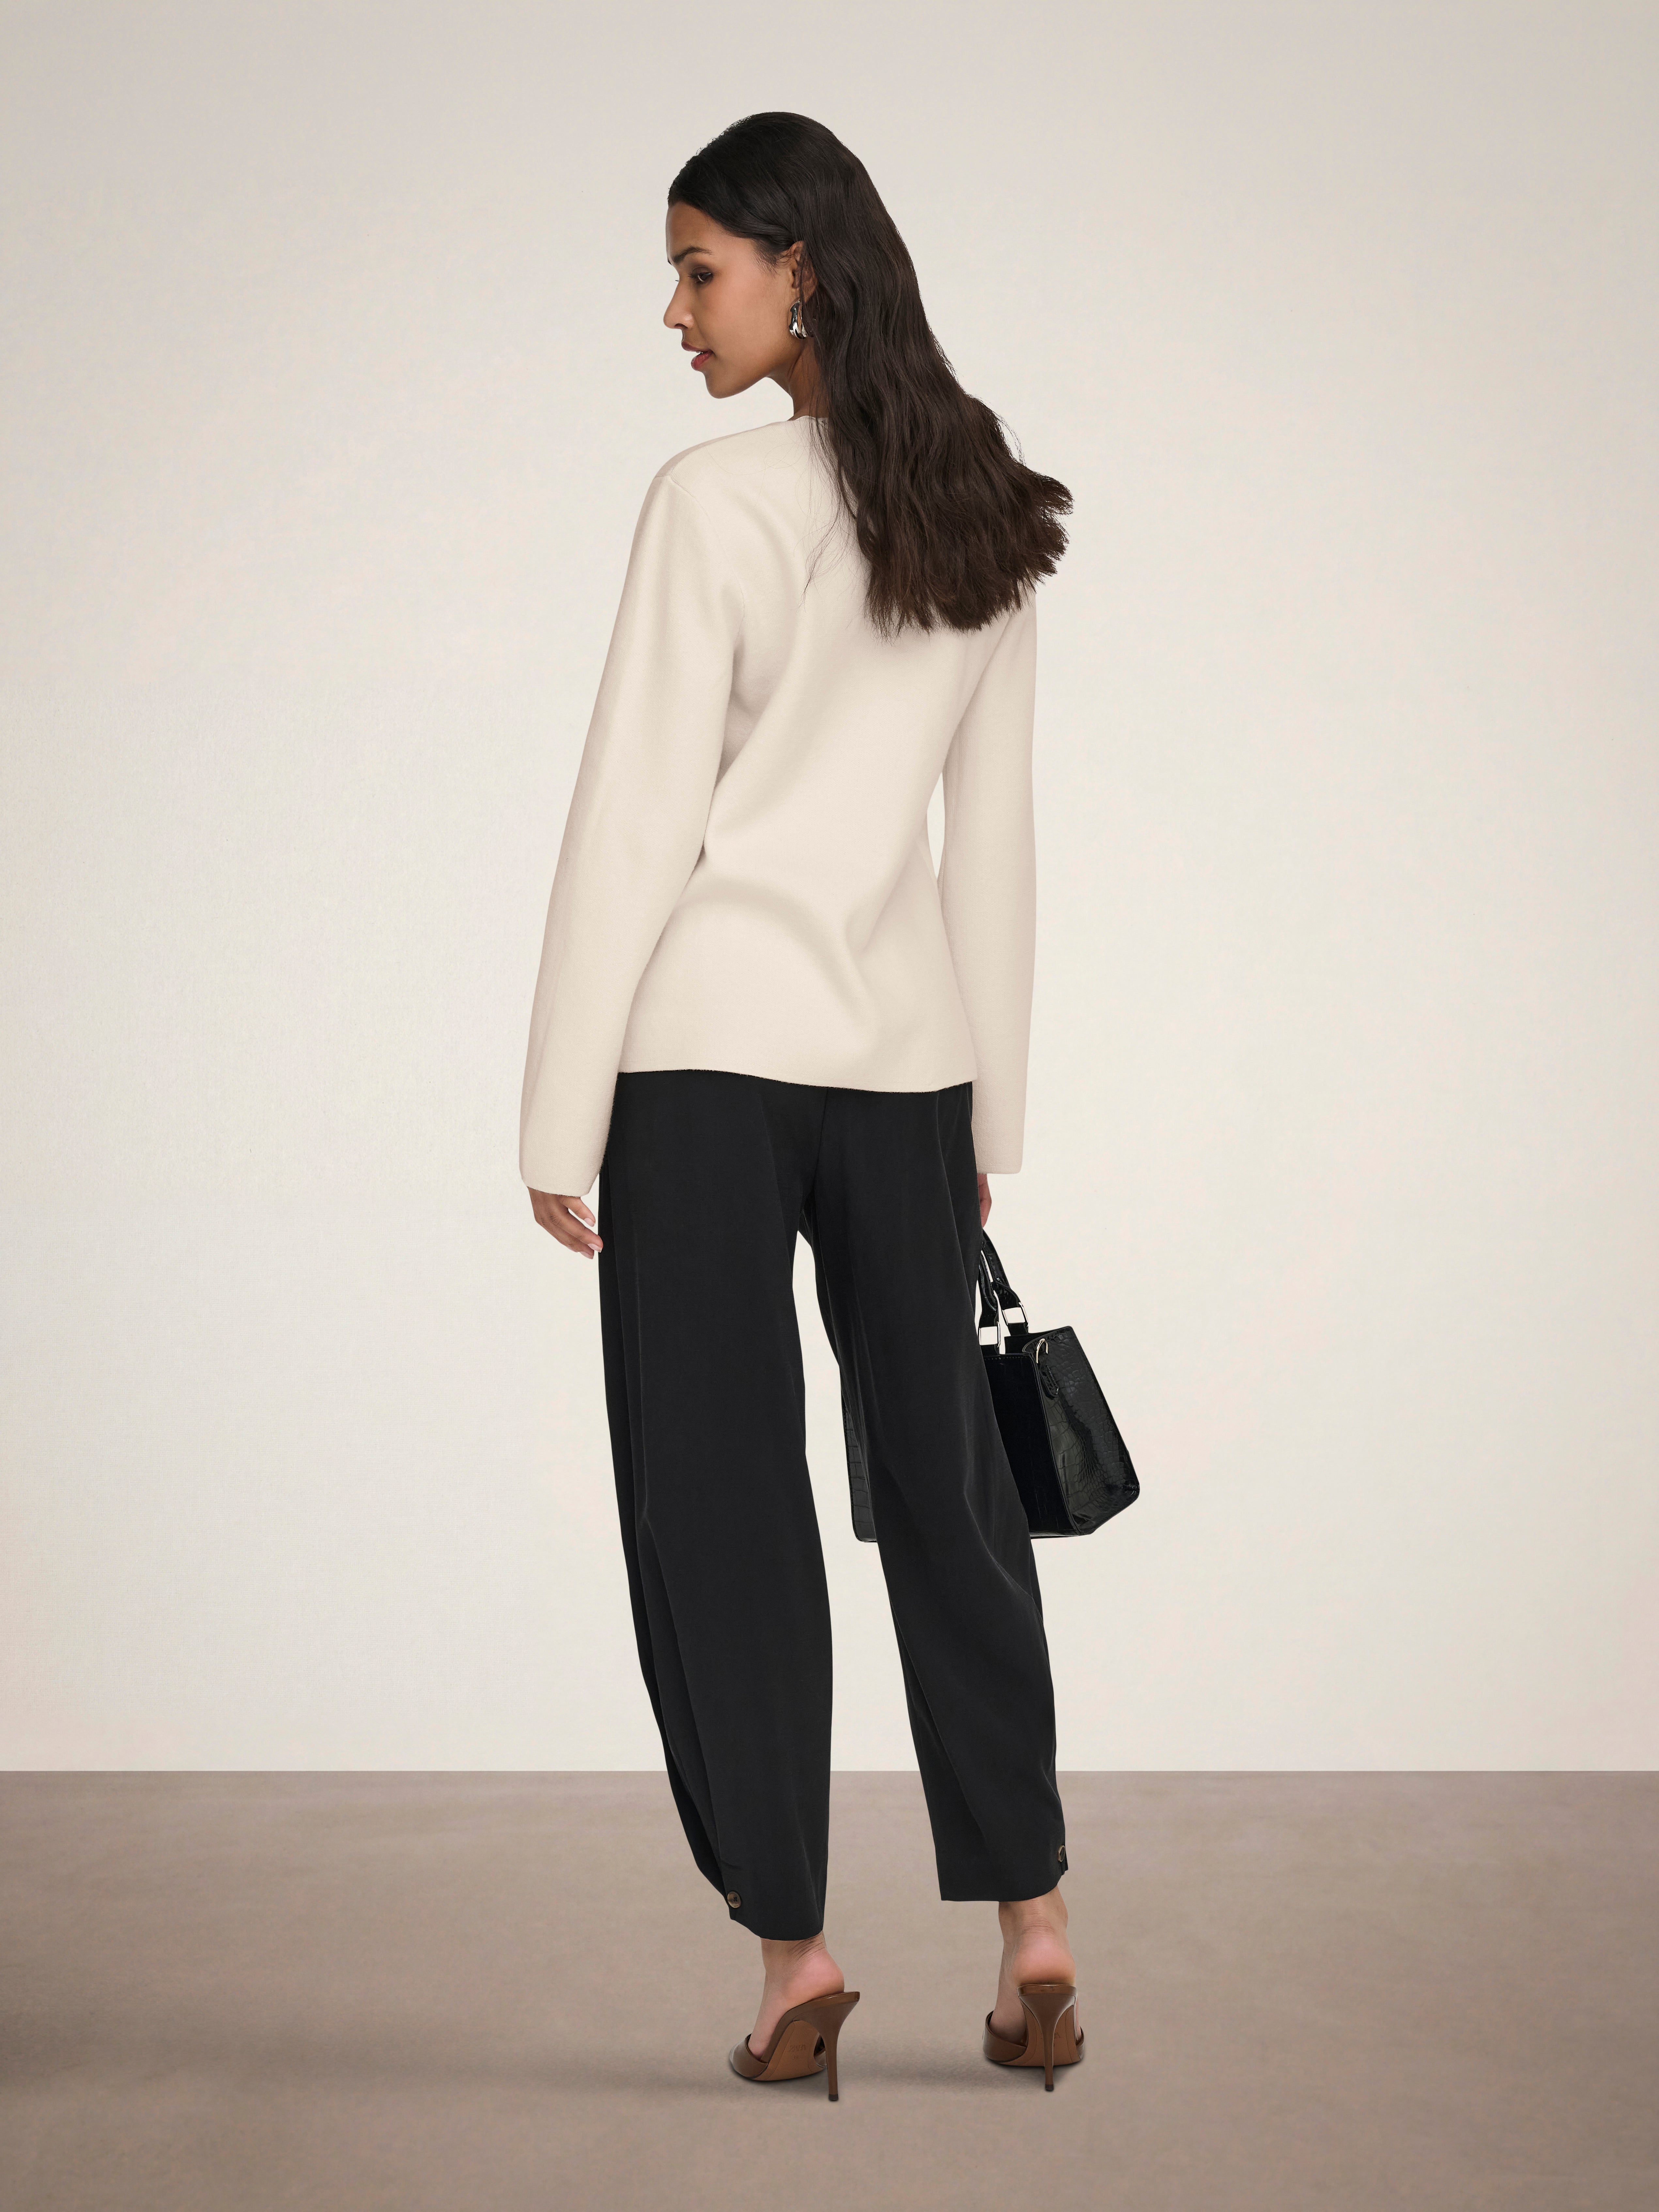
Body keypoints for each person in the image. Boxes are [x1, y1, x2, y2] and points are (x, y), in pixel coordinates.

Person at [521, 112, 1083, 2097]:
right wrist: (989, 1122)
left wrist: (556, 1116)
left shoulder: (712, 501)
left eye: (701, 271)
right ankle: (1034, 1931)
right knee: (949, 1491)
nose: (678, 312)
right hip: (910, 1063)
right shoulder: (985, 507)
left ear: (803, 271)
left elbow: (635, 812)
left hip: (700, 1063)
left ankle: (796, 1958)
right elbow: (992, 846)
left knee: (723, 1503)